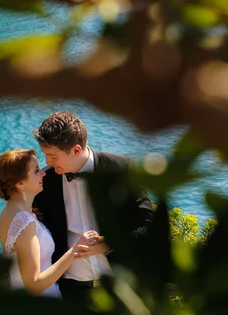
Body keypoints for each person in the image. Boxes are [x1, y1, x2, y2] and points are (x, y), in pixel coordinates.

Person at [32, 111, 154, 302]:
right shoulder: (44, 183)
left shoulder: (121, 169)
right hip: (71, 288)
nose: (47, 162)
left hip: (122, 285)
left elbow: (148, 224)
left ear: (76, 150)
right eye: (46, 155)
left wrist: (107, 245)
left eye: (53, 156)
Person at [0, 149, 98, 298]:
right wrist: (74, 250)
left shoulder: (9, 211)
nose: (43, 173)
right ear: (20, 183)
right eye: (36, 171)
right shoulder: (24, 222)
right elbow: (34, 284)